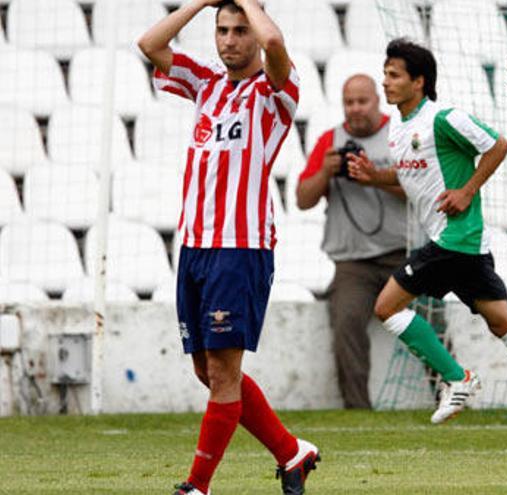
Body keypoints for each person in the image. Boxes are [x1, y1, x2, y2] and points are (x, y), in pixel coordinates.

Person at [348, 38, 507, 449]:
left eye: (393, 75)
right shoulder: (399, 132)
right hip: (463, 245)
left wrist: (468, 190)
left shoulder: (444, 118)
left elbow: (497, 145)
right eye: (385, 73)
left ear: (419, 81)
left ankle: (458, 379)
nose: (385, 82)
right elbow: (415, 183)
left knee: (385, 306)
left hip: (454, 238)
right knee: (504, 323)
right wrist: (376, 178)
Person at [138, 1, 319, 494]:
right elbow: (150, 45)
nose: (229, 40)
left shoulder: (276, 92)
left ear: (255, 35)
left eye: (240, 30)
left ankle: (198, 486)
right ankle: (291, 452)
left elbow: (277, 45)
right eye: (222, 30)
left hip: (240, 247)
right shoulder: (205, 83)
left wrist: (252, 3)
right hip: (195, 244)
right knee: (208, 369)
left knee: (222, 372)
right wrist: (200, 3)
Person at [295, 74, 408, 410]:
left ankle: (450, 393)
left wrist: (373, 176)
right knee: (346, 323)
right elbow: (302, 199)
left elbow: (421, 191)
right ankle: (358, 409)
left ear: (377, 100)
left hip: (403, 255)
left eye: (362, 101)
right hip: (353, 262)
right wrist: (326, 173)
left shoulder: (399, 135)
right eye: (349, 102)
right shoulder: (329, 141)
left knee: (431, 320)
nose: (355, 109)